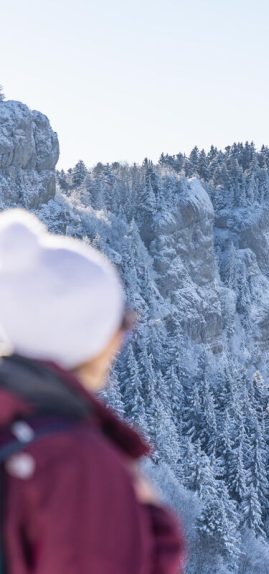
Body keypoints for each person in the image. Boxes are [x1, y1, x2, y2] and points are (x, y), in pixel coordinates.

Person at [0, 209, 186, 574]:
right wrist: (154, 521)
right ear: (95, 339)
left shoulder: (15, 421)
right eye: (122, 325)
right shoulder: (74, 461)